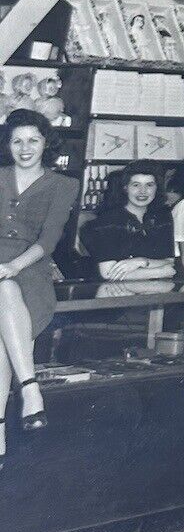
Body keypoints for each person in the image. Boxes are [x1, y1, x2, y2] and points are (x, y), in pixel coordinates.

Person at [0, 109, 79, 448]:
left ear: (46, 142)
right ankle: (30, 391)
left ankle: (4, 424)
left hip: (30, 271)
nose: (25, 147)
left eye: (33, 140)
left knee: (4, 291)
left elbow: (48, 241)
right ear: (8, 145)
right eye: (17, 141)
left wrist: (13, 267)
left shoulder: (63, 185)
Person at [83, 162, 176, 281]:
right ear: (125, 188)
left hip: (155, 290)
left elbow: (169, 262)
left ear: (156, 188)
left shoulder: (163, 218)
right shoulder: (108, 222)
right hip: (114, 293)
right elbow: (108, 273)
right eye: (136, 185)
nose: (143, 191)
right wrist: (161, 271)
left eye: (149, 185)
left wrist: (140, 262)